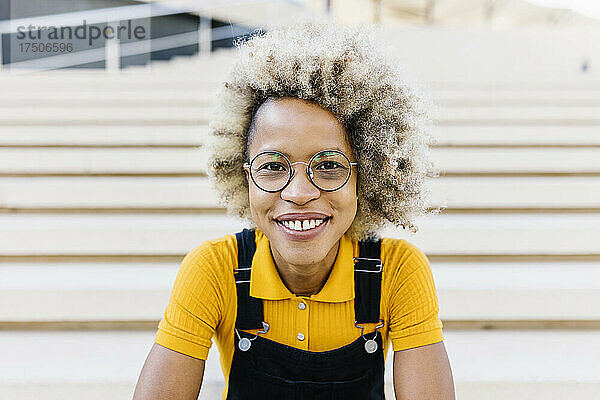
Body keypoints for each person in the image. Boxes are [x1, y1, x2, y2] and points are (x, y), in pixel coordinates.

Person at [133, 20, 455, 400]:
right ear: (245, 175)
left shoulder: (396, 272)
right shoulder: (214, 270)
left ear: (366, 173)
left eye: (329, 165)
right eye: (272, 166)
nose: (299, 192)